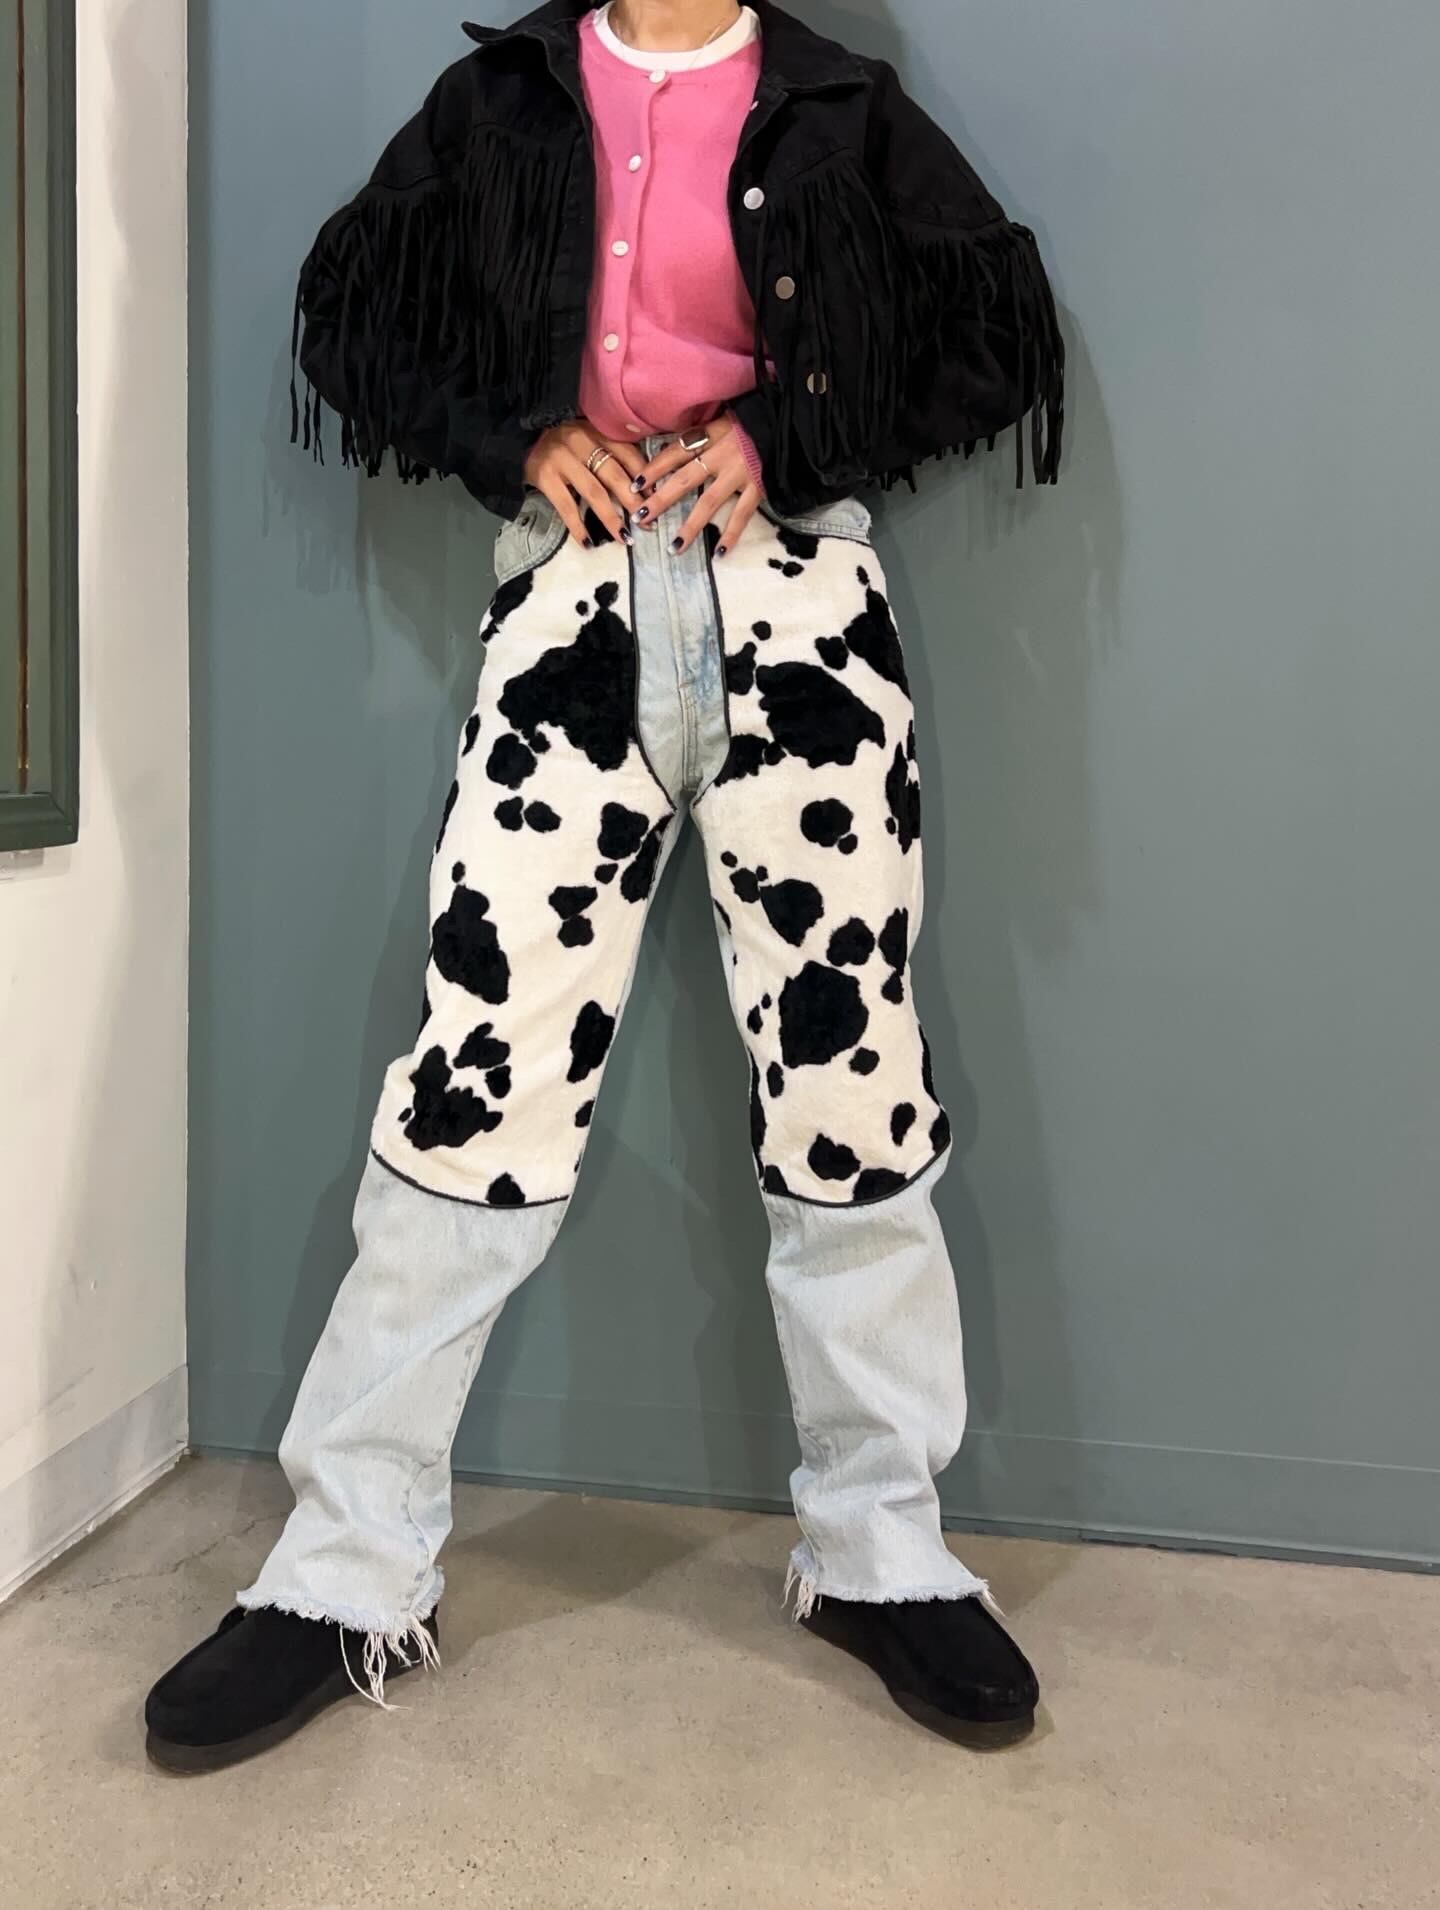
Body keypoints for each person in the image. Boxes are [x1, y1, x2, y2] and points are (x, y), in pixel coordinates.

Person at [144, 0, 1064, 1774]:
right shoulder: (508, 96)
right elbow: (350, 310)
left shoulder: (833, 100)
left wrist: (782, 441)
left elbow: (996, 331)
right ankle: (342, 1569)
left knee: (851, 1083)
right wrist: (511, 435)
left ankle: (883, 1546)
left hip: (801, 612)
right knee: (474, 1076)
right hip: (567, 607)